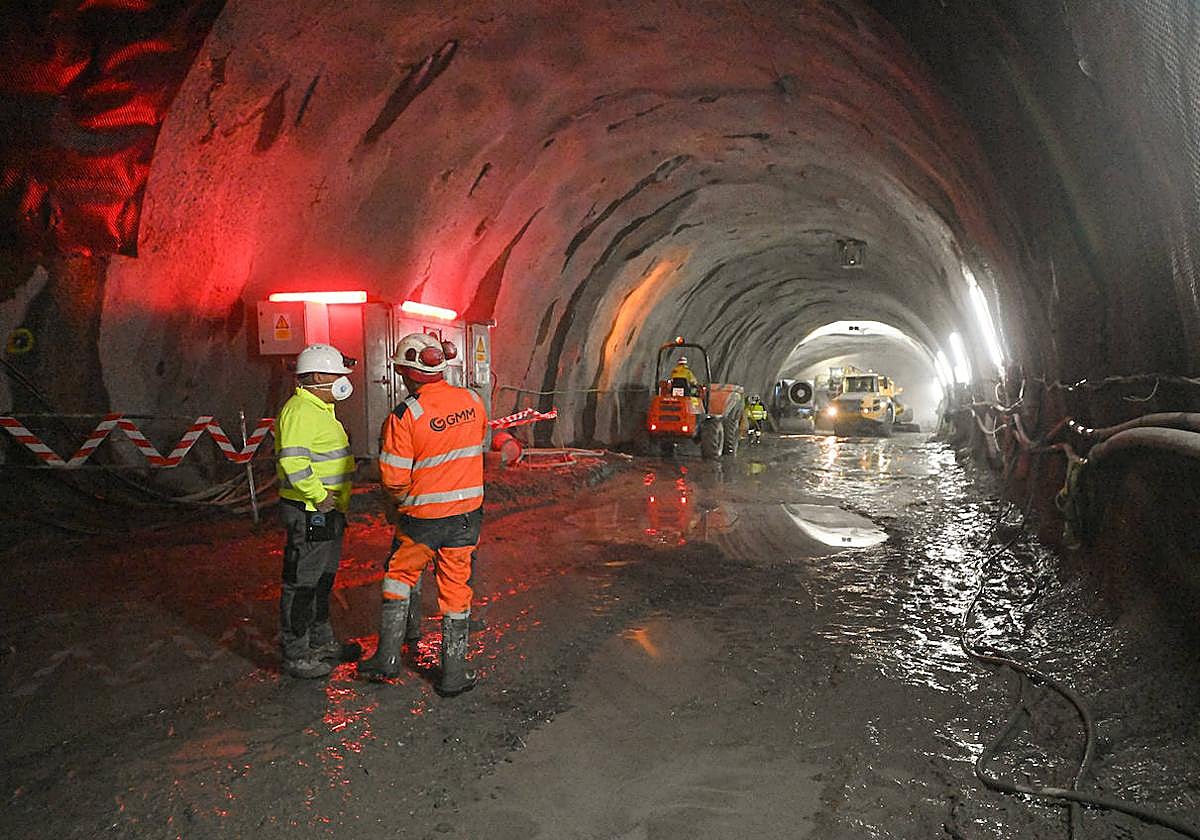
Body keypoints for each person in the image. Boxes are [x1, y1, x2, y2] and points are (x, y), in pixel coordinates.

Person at [359, 333, 487, 697]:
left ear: (405, 373)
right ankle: (454, 673)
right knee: (456, 588)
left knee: (399, 577)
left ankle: (387, 659)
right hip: (467, 516)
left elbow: (394, 479)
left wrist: (401, 504)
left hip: (423, 520)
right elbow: (477, 443)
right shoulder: (472, 401)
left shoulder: (405, 416)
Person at [274, 343, 362, 679]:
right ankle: (296, 653)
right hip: (311, 510)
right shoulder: (300, 411)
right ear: (315, 377)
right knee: (303, 582)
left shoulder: (321, 409)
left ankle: (320, 641)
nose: (341, 381)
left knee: (323, 578)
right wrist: (319, 495)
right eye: (336, 375)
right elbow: (294, 462)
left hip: (328, 510)